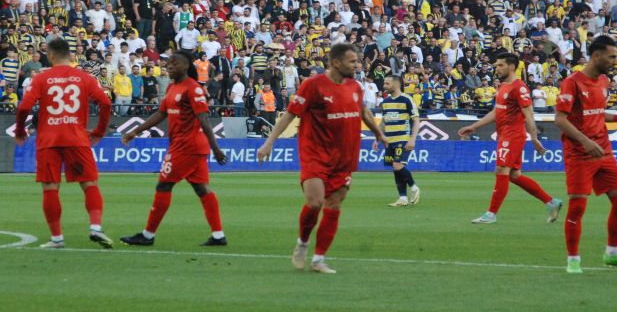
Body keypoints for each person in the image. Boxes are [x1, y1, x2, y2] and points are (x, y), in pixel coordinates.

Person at [257, 43, 388, 274]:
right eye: (352, 62)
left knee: (334, 205)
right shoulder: (313, 85)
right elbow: (290, 114)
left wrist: (378, 133)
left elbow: (364, 111)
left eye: (357, 61)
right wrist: (269, 142)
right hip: (315, 153)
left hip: (344, 156)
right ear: (336, 62)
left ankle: (318, 259)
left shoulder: (355, 87)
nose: (357, 66)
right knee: (315, 202)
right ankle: (303, 243)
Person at [120, 51, 229, 247]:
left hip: (187, 146)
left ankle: (147, 235)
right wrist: (135, 131)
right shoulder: (172, 86)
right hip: (187, 146)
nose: (169, 66)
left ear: (185, 66)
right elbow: (161, 114)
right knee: (202, 189)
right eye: (168, 63)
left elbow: (204, 120)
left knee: (164, 185)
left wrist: (216, 148)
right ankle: (219, 236)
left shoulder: (193, 89)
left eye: (174, 63)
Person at [14, 38, 113, 249]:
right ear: (70, 55)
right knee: (88, 183)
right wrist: (99, 131)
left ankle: (57, 238)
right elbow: (105, 102)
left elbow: (23, 108)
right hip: (76, 138)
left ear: (49, 55)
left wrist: (21, 130)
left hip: (48, 140)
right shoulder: (84, 77)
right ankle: (95, 227)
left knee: (50, 187)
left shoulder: (42, 78)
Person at [555, 36, 617, 274]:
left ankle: (612, 254)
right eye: (612, 56)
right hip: (580, 153)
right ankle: (573, 260)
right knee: (578, 208)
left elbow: (596, 112)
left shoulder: (603, 81)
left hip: (603, 150)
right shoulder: (572, 83)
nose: (616, 61)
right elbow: (560, 119)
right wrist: (584, 140)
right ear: (596, 56)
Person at [458, 53, 562, 224]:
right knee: (514, 175)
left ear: (511, 67)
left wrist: (534, 138)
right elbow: (496, 112)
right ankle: (551, 202)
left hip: (513, 135)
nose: (496, 68)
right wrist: (474, 126)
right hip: (505, 135)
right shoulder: (504, 86)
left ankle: (491, 214)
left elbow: (528, 114)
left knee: (501, 170)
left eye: (500, 65)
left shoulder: (519, 87)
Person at [375, 76, 421, 207]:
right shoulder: (385, 101)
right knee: (395, 169)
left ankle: (414, 187)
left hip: (403, 139)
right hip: (389, 140)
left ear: (396, 84)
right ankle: (403, 198)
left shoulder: (407, 99)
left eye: (387, 83)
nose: (384, 85)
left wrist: (412, 139)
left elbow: (416, 120)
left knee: (398, 166)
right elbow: (384, 121)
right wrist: (377, 137)